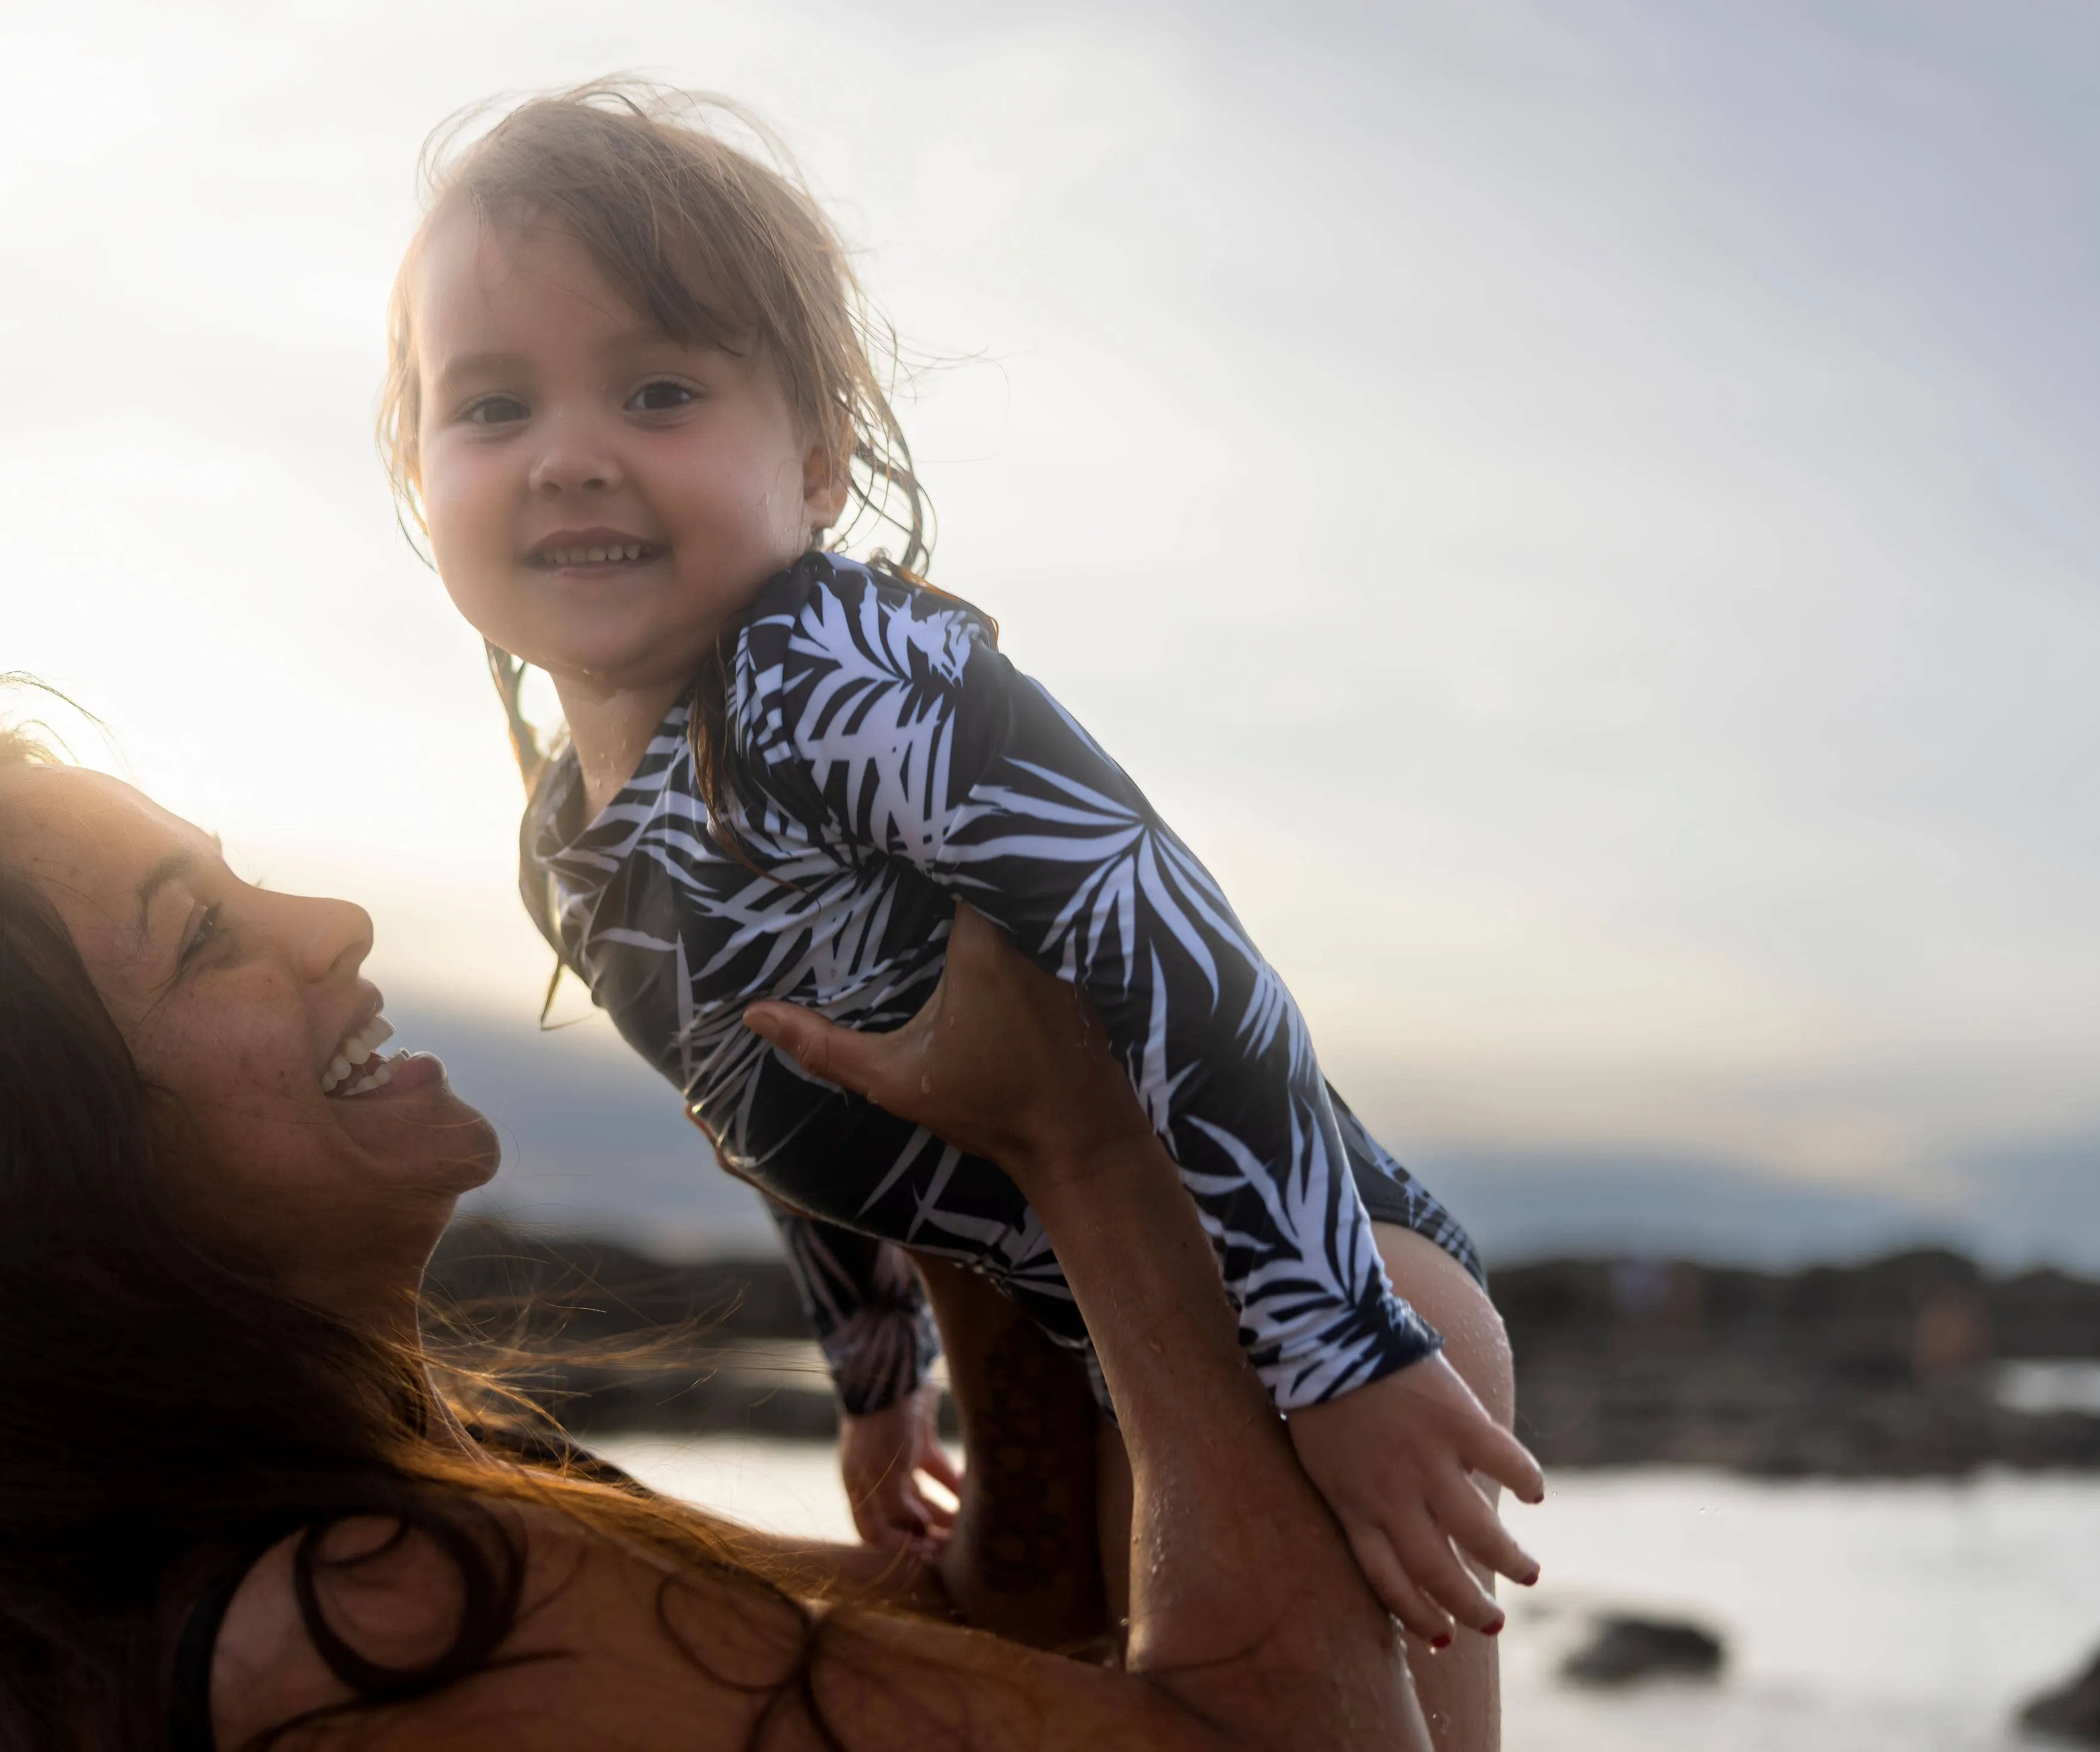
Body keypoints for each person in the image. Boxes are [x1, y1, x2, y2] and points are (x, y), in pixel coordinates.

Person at [376, 80, 1539, 1737]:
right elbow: (772, 1099)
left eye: (656, 389)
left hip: (1322, 1303)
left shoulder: (836, 676)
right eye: (490, 407)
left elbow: (1169, 931)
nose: (571, 456)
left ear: (821, 456)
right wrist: (873, 1380)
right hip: (1134, 1365)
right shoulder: (571, 853)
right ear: (419, 474)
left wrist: (1335, 1342)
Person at [0, 692, 1450, 1751]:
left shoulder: (395, 1524)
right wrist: (1091, 1156)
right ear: (39, 1205)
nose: (327, 922)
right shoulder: (377, 1628)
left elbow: (1021, 1617)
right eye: (200, 938)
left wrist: (912, 1130)